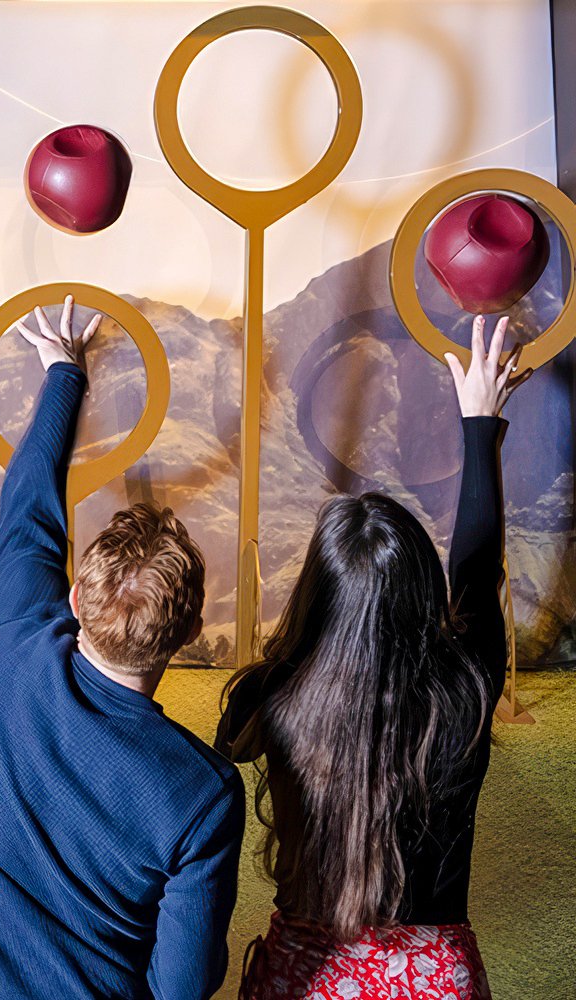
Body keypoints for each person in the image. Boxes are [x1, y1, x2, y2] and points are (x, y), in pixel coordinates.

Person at [0, 299, 245, 1000]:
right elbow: (184, 987)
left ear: (73, 601)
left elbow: (27, 504)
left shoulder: (14, 644)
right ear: (188, 634)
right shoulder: (204, 794)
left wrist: (65, 373)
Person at [217, 316, 524, 1000]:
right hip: (432, 980)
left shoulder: (272, 697)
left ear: (318, 596)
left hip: (305, 975)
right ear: (422, 593)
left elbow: (221, 753)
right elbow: (477, 572)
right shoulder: (464, 692)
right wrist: (480, 423)